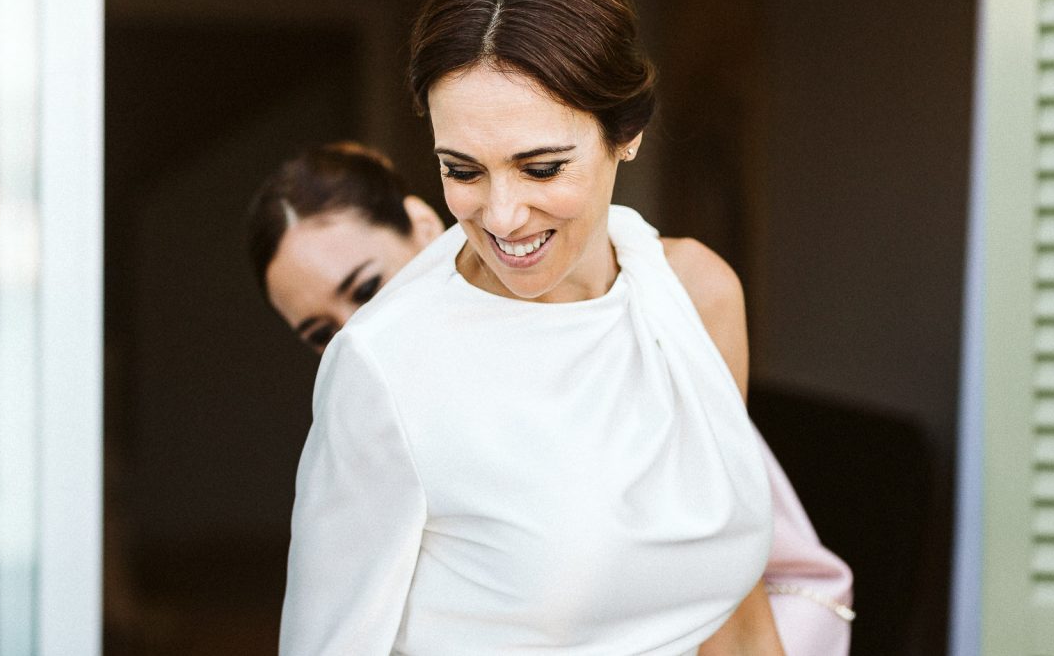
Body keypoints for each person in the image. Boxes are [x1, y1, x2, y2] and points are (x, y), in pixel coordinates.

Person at [276, 0, 847, 655]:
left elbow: (732, 608)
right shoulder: (383, 366)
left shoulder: (698, 297)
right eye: (464, 169)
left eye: (541, 167)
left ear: (627, 131)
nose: (503, 214)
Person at [248, 143, 853, 655]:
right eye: (323, 333)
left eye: (367, 287)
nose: (355, 331)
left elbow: (730, 588)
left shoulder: (655, 311)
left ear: (425, 226)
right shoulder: (368, 403)